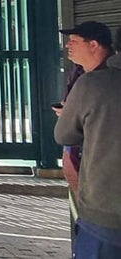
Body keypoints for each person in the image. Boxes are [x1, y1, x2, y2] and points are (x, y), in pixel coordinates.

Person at [55, 24, 121, 258]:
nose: (68, 45)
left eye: (74, 40)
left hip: (105, 213)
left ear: (94, 45)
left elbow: (64, 134)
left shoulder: (93, 83)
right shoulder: (80, 75)